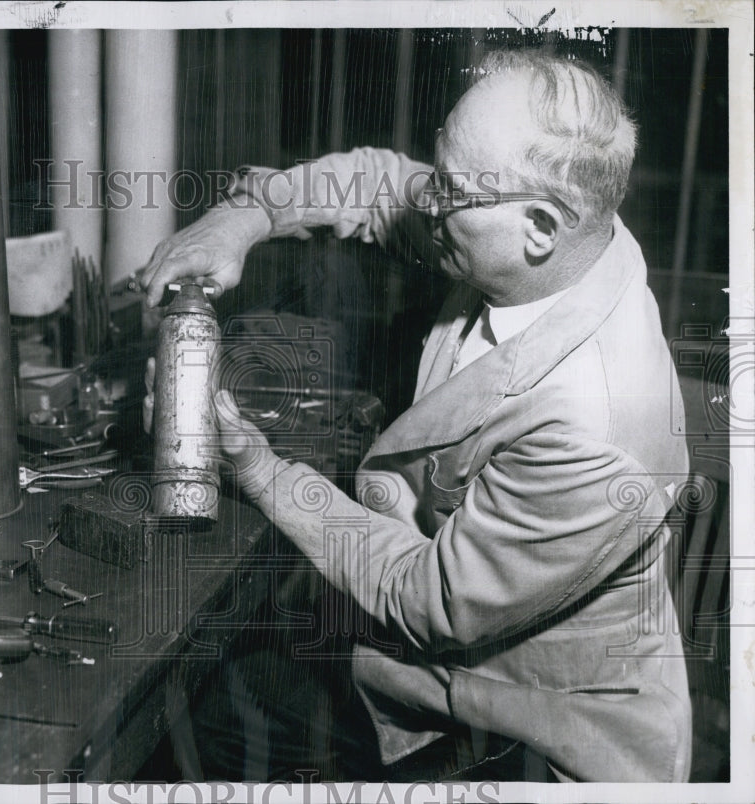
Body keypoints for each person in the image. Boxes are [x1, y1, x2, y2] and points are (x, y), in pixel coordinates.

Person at [142, 49, 691, 783]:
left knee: (220, 710)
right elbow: (377, 183)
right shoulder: (549, 243)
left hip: (531, 734)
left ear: (538, 226)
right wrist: (244, 217)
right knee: (230, 694)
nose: (425, 203)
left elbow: (427, 598)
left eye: (450, 192)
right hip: (436, 650)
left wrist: (259, 469)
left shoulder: (597, 425)